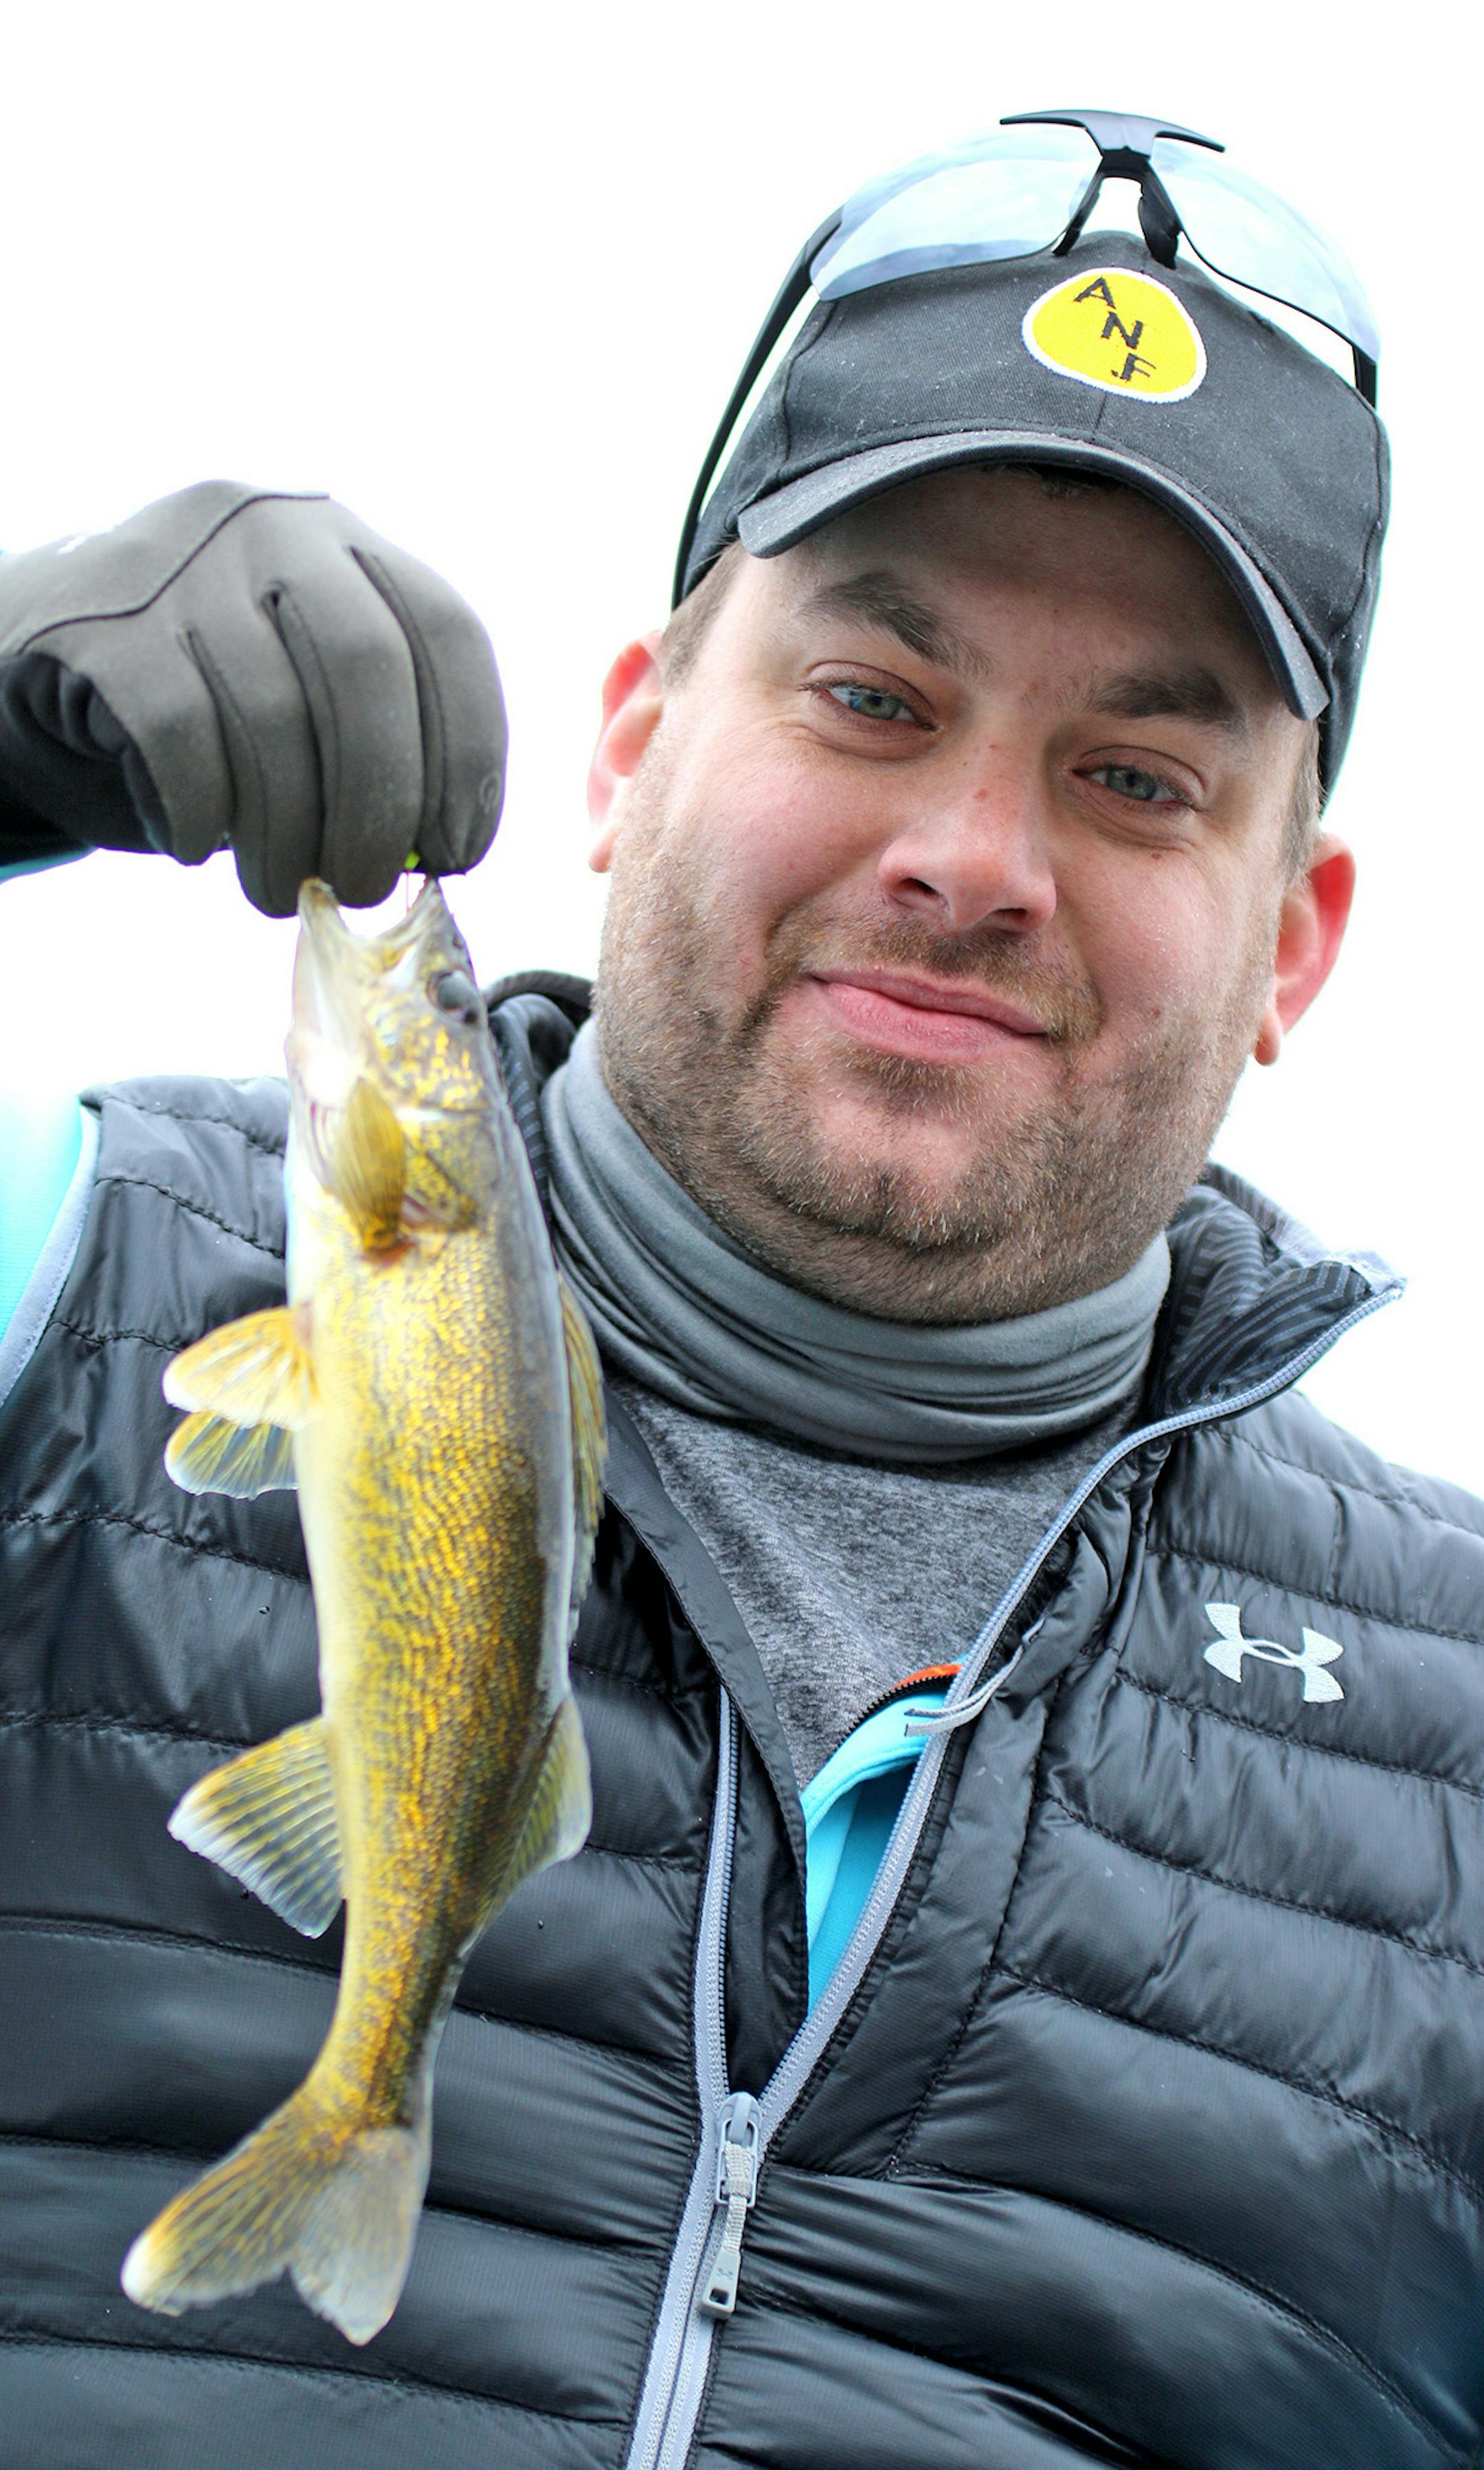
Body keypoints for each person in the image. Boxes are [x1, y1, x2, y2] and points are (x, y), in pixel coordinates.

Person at [1, 109, 1480, 2470]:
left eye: (1135, 778)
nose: (972, 860)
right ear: (631, 739)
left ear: (1297, 941)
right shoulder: (66, 1271)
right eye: (874, 698)